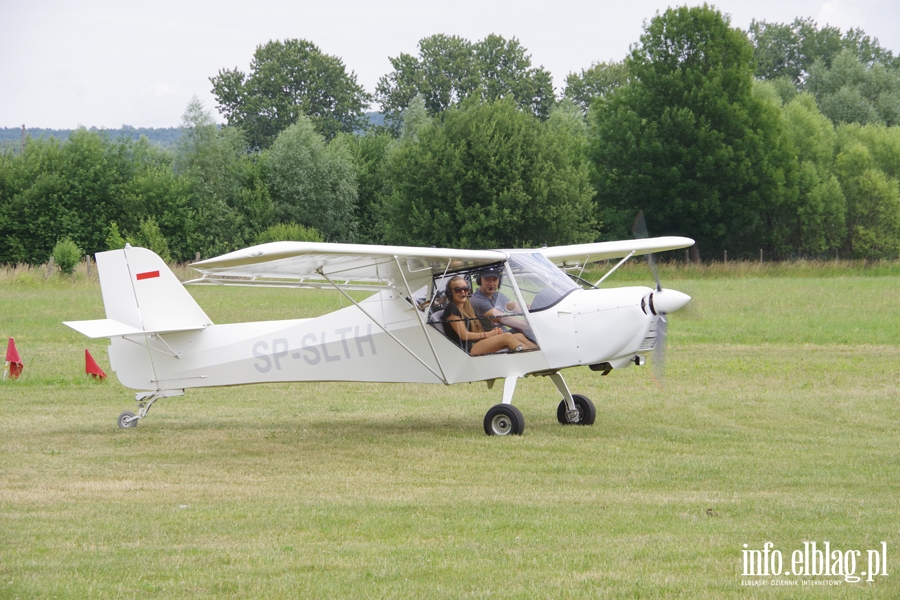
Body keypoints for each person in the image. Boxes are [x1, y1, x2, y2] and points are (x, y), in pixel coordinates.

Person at [441, 276, 537, 355]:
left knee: (518, 335)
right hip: (466, 350)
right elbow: (464, 335)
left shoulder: (466, 308)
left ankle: (540, 354)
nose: (463, 292)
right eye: (458, 290)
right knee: (506, 337)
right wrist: (488, 334)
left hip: (475, 344)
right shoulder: (452, 309)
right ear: (450, 292)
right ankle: (531, 357)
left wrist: (493, 332)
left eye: (465, 289)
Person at [470, 266, 535, 342]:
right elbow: (502, 318)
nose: (491, 283)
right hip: (489, 340)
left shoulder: (498, 295)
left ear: (499, 281)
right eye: (487, 280)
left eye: (494, 280)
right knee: (524, 333)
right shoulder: (476, 300)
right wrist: (527, 326)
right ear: (479, 280)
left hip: (504, 335)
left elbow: (514, 307)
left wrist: (535, 308)